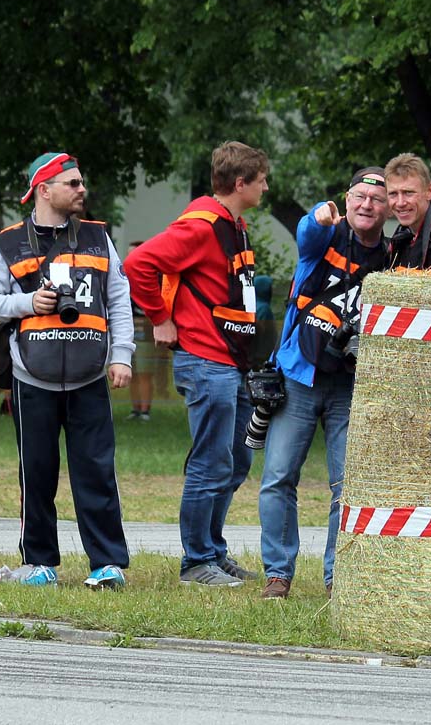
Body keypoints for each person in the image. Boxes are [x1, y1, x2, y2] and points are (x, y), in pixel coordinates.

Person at [0, 151, 133, 590]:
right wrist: (27, 303)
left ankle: (107, 563)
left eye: (81, 183)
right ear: (44, 190)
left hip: (90, 376)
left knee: (96, 471)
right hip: (31, 378)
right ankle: (39, 562)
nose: (82, 190)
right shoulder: (5, 243)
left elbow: (118, 299)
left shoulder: (99, 237)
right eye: (73, 183)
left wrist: (122, 355)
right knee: (36, 472)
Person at [123, 141, 268, 589]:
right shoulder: (201, 226)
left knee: (237, 460)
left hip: (232, 362)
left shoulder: (234, 224)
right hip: (206, 362)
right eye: (261, 179)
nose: (266, 186)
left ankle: (214, 550)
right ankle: (196, 561)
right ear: (240, 183)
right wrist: (161, 318)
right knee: (210, 462)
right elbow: (138, 263)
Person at [256, 168, 390, 600]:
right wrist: (320, 214)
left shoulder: (391, 258)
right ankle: (278, 574)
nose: (367, 204)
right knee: (278, 477)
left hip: (351, 385)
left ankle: (336, 579)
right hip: (299, 375)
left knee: (345, 487)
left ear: (388, 208)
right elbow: (306, 230)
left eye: (376, 198)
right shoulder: (325, 239)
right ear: (346, 200)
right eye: (359, 196)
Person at [126, 240, 164, 421]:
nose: (130, 258)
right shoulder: (123, 277)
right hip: (128, 329)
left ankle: (145, 410)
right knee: (130, 371)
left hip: (145, 330)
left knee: (144, 371)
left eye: (134, 254)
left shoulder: (152, 278)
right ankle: (135, 409)